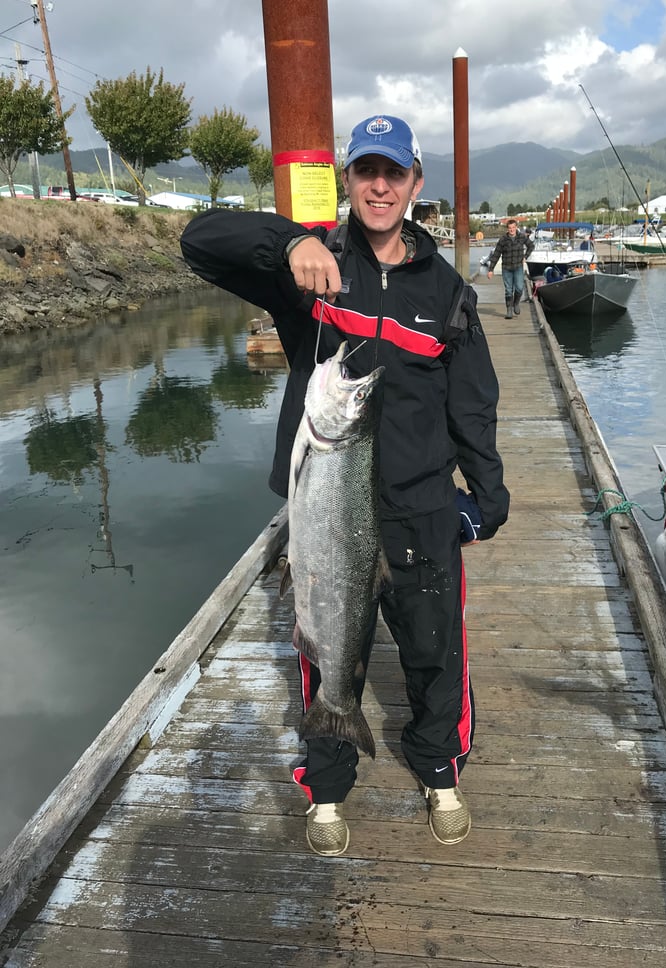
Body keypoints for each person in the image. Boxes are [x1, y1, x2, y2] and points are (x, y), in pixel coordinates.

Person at [180, 114, 510, 857]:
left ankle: (438, 768)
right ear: (349, 181)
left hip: (423, 510)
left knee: (435, 654)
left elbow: (473, 405)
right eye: (367, 171)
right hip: (332, 512)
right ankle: (327, 786)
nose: (381, 186)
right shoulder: (313, 267)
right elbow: (198, 239)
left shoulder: (450, 291)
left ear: (416, 185)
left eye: (395, 173)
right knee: (324, 647)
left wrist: (487, 497)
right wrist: (289, 241)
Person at [486, 218, 534, 319]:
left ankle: (516, 303)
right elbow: (496, 254)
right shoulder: (503, 239)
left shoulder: (522, 237)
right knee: (508, 290)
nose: (511, 230)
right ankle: (509, 310)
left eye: (513, 227)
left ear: (516, 227)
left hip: (518, 267)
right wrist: (491, 269)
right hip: (506, 268)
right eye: (510, 228)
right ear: (507, 229)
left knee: (519, 288)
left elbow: (531, 246)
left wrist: (525, 256)